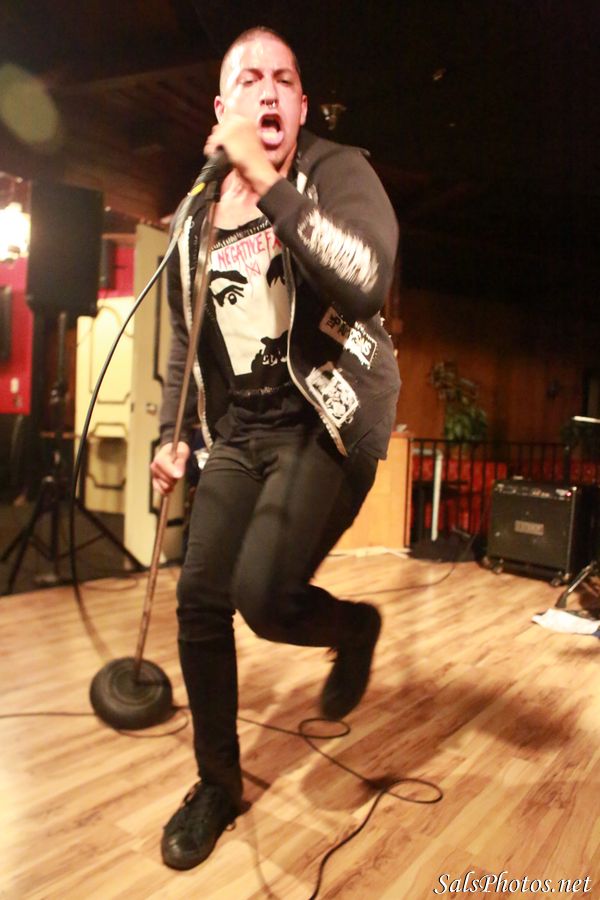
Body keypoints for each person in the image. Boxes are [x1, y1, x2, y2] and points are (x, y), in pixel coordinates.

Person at [150, 25, 400, 871]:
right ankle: (217, 785)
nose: (267, 89)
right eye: (249, 78)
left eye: (283, 79)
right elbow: (185, 337)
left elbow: (363, 279)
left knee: (262, 596)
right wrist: (172, 436)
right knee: (198, 598)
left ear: (299, 105)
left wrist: (267, 182)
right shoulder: (193, 217)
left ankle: (352, 628)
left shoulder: (334, 172)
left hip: (323, 417)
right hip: (242, 428)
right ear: (222, 106)